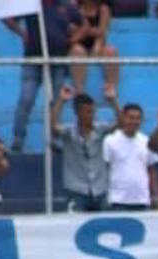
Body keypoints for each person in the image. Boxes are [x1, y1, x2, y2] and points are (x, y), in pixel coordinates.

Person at [4, 0, 84, 152]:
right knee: (26, 99)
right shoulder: (30, 5)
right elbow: (8, 19)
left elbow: (84, 24)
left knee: (56, 101)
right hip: (33, 60)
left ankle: (53, 138)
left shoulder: (66, 7)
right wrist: (22, 34)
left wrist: (74, 39)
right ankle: (18, 138)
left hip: (58, 61)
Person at [51, 84, 119, 212]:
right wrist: (61, 101)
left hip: (100, 189)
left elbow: (121, 124)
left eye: (93, 111)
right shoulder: (69, 133)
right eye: (88, 112)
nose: (91, 115)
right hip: (77, 190)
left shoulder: (100, 130)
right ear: (77, 113)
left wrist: (113, 101)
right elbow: (53, 127)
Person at [102, 103, 158, 210]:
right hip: (117, 200)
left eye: (138, 118)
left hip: (142, 200)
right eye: (130, 118)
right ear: (123, 118)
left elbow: (152, 170)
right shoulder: (110, 140)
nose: (134, 121)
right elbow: (104, 168)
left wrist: (155, 196)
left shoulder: (146, 141)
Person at [70, 0, 119, 93]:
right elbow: (71, 29)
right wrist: (89, 31)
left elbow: (102, 30)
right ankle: (80, 91)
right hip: (77, 42)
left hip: (97, 42)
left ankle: (112, 89)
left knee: (111, 51)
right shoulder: (74, 7)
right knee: (77, 50)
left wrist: (84, 30)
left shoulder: (103, 8)